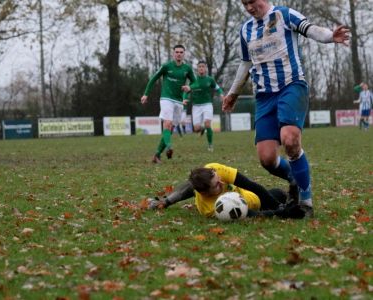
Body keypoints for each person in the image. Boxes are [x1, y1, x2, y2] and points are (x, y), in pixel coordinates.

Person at [222, 0, 350, 218]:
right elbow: (245, 63)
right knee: (267, 159)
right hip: (264, 96)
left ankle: (306, 200)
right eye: (244, 4)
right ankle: (295, 179)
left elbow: (309, 29)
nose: (249, 8)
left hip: (291, 86)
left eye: (251, 2)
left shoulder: (284, 15)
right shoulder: (246, 29)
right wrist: (233, 92)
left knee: (290, 139)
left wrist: (330, 36)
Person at [147, 162, 306, 219]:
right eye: (216, 186)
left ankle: (289, 199)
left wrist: (280, 207)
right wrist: (282, 213)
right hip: (254, 206)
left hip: (252, 196)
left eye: (218, 179)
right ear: (204, 193)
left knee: (277, 194)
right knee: (278, 205)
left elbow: (251, 185)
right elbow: (250, 215)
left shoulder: (214, 169)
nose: (221, 182)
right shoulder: (209, 209)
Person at [141, 45, 196, 163]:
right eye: (177, 52)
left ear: (184, 54)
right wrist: (146, 94)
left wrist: (189, 87)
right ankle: (169, 146)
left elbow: (195, 83)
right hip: (166, 99)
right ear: (173, 54)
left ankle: (156, 155)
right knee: (167, 123)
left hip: (179, 101)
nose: (179, 54)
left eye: (181, 52)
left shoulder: (187, 68)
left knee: (170, 128)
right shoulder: (166, 66)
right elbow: (153, 78)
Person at [183, 61, 224, 151]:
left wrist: (221, 94)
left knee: (207, 123)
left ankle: (210, 145)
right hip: (196, 106)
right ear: (197, 69)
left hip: (207, 105)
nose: (201, 68)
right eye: (199, 66)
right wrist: (184, 98)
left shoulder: (210, 80)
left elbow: (217, 88)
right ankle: (201, 130)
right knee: (196, 128)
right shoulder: (193, 80)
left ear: (205, 68)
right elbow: (186, 91)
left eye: (203, 66)